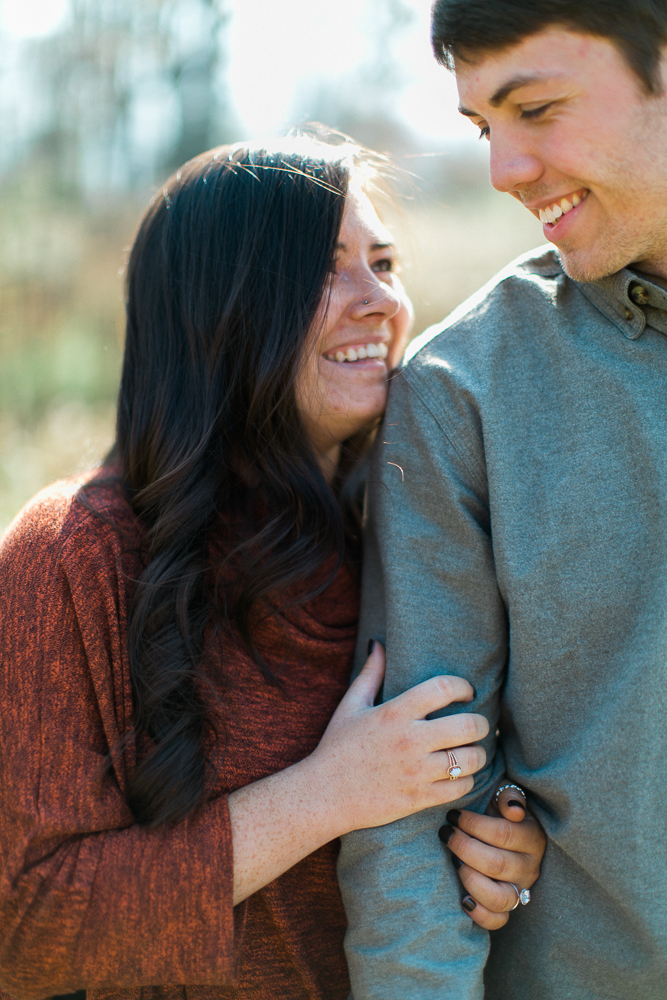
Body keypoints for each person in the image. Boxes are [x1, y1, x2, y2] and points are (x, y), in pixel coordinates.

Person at [0, 133, 545, 1000]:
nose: (381, 302)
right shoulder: (77, 553)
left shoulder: (421, 531)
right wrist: (324, 795)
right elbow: (26, 928)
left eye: (384, 261)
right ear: (219, 307)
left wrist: (503, 859)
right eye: (326, 269)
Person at [337, 3, 667, 999]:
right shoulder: (462, 393)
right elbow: (412, 818)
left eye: (536, 107)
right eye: (485, 126)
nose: (504, 169)